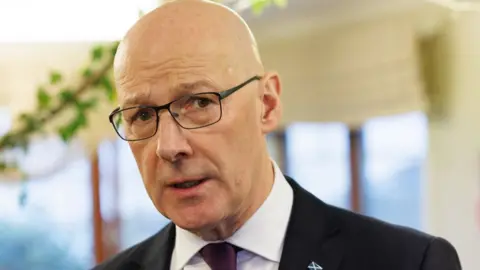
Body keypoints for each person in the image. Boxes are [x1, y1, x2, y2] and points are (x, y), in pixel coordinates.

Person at [93, 0, 462, 269]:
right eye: (141, 115)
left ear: (266, 104)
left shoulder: (407, 262)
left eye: (199, 103)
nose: (169, 147)